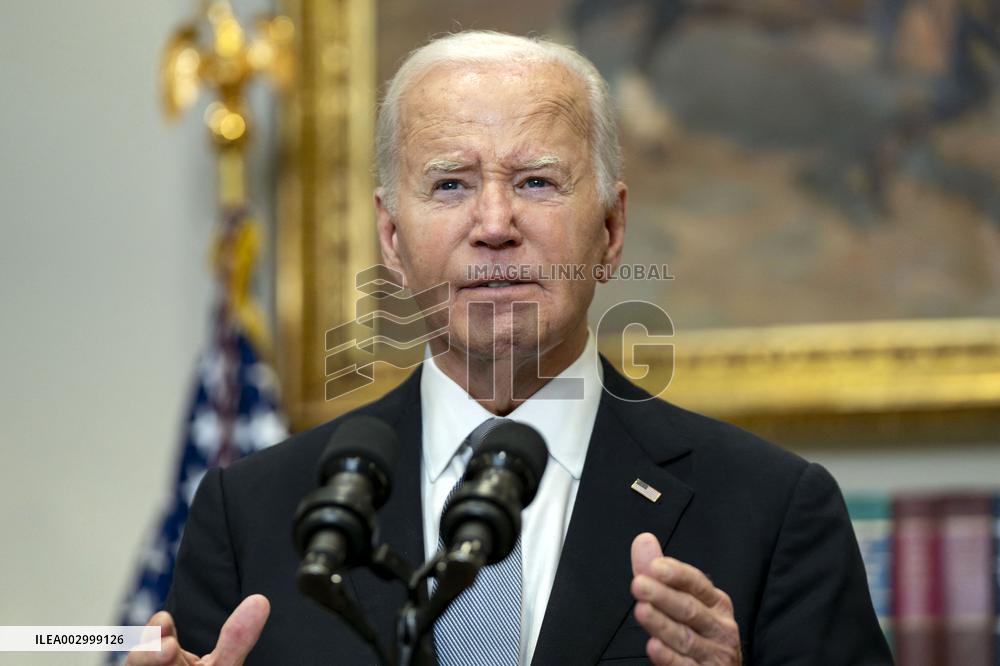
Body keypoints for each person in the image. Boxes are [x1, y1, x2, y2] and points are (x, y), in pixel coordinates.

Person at [127, 31, 892, 666]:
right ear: (392, 239)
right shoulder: (253, 513)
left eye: (535, 182)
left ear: (612, 231)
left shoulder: (774, 511)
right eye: (452, 185)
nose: (495, 224)